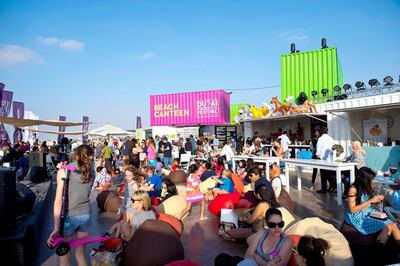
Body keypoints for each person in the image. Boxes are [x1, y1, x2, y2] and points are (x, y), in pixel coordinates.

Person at [47, 145, 95, 266]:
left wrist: (56, 228)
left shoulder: (65, 170)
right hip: (85, 215)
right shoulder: (92, 172)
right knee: (80, 255)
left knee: (65, 256)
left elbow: (58, 201)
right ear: (90, 156)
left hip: (69, 216)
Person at [345, 167, 400, 245]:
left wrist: (377, 200)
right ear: (365, 180)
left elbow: (368, 203)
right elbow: (352, 210)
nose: (373, 181)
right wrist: (370, 201)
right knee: (387, 226)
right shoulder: (353, 189)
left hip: (367, 212)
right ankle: (378, 250)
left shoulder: (366, 187)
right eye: (372, 179)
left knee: (392, 224)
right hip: (357, 216)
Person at [316, 126, 335, 193]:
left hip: (322, 159)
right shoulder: (331, 139)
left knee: (323, 174)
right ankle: (333, 186)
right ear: (327, 131)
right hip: (330, 158)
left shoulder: (320, 139)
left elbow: (318, 148)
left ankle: (324, 188)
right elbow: (333, 148)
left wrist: (317, 154)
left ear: (321, 131)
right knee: (330, 173)